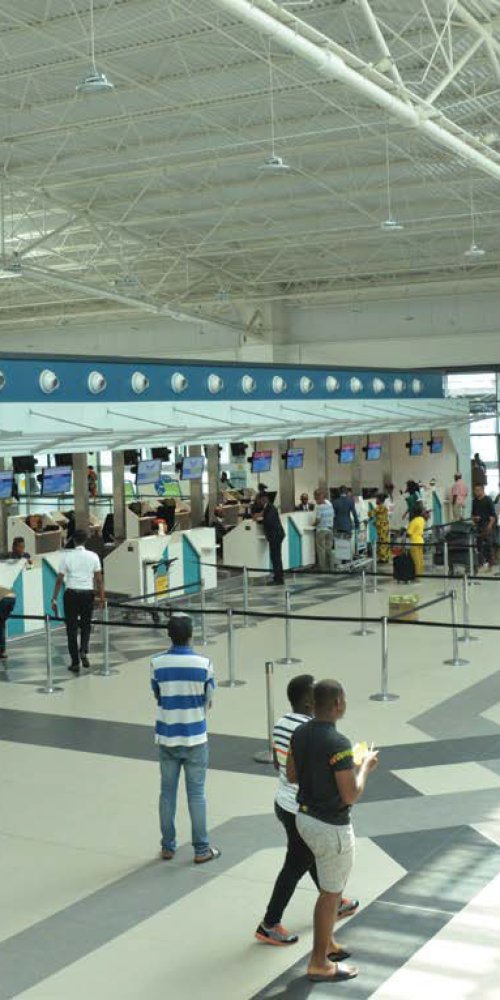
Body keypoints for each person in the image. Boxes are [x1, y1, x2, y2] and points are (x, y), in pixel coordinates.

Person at [255, 675, 358, 947]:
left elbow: (284, 767)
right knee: (296, 863)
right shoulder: (313, 730)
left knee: (312, 854)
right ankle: (269, 923)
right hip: (300, 806)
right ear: (310, 701)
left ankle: (334, 900)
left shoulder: (281, 724)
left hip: (283, 801)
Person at [288, 680, 379, 984]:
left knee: (331, 886)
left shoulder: (299, 732)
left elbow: (291, 773)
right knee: (331, 894)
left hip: (304, 819)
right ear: (338, 702)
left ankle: (327, 943)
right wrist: (364, 766)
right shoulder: (338, 742)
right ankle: (318, 963)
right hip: (331, 827)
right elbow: (351, 795)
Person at [150, 613, 220, 864]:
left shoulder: (157, 663)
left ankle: (168, 846)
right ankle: (201, 849)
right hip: (195, 738)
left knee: (167, 794)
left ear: (169, 635)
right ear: (191, 635)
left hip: (167, 737)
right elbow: (208, 698)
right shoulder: (204, 664)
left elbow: (158, 694)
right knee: (197, 794)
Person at [51, 529, 104, 673]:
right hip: (87, 594)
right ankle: (84, 650)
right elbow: (98, 579)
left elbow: (59, 580)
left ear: (73, 540)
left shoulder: (67, 557)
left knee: (71, 628)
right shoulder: (93, 556)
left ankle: (75, 662)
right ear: (86, 539)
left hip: (71, 594)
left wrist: (54, 598)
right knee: (86, 625)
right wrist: (102, 597)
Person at [254, 494, 285, 585]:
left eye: (258, 500)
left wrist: (259, 520)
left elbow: (269, 521)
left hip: (275, 535)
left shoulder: (270, 508)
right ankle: (278, 577)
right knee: (275, 557)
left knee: (276, 557)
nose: (257, 502)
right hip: (275, 535)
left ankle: (279, 579)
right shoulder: (267, 508)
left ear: (263, 500)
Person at [472, 484, 496, 572]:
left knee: (489, 545)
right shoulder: (474, 501)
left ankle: (490, 565)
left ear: (482, 490)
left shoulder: (488, 500)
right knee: (479, 545)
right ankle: (480, 564)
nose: (476, 492)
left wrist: (489, 526)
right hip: (478, 525)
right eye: (475, 490)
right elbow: (473, 514)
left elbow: (493, 515)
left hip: (487, 524)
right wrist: (475, 519)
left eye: (478, 490)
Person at [313, 489, 334, 572]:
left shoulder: (319, 507)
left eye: (315, 498)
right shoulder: (330, 505)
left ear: (319, 497)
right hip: (330, 529)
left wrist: (313, 524)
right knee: (329, 549)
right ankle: (331, 567)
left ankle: (323, 569)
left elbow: (318, 520)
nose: (315, 500)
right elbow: (333, 515)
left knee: (321, 550)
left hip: (321, 530)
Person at [407, 500, 426, 578]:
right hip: (421, 541)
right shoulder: (422, 520)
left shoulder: (413, 521)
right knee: (420, 558)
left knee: (415, 560)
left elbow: (409, 533)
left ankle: (417, 575)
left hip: (414, 542)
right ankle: (421, 573)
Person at [369, 494, 390, 563]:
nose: (376, 500)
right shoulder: (383, 506)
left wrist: (370, 506)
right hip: (385, 527)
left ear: (379, 500)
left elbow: (371, 513)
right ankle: (386, 557)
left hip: (382, 528)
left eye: (376, 499)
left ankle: (383, 558)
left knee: (382, 543)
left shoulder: (380, 507)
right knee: (385, 542)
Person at [0, 585, 16, 660]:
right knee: (1, 624)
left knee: (1, 625)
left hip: (5, 599)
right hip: (13, 598)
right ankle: (2, 651)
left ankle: (2, 650)